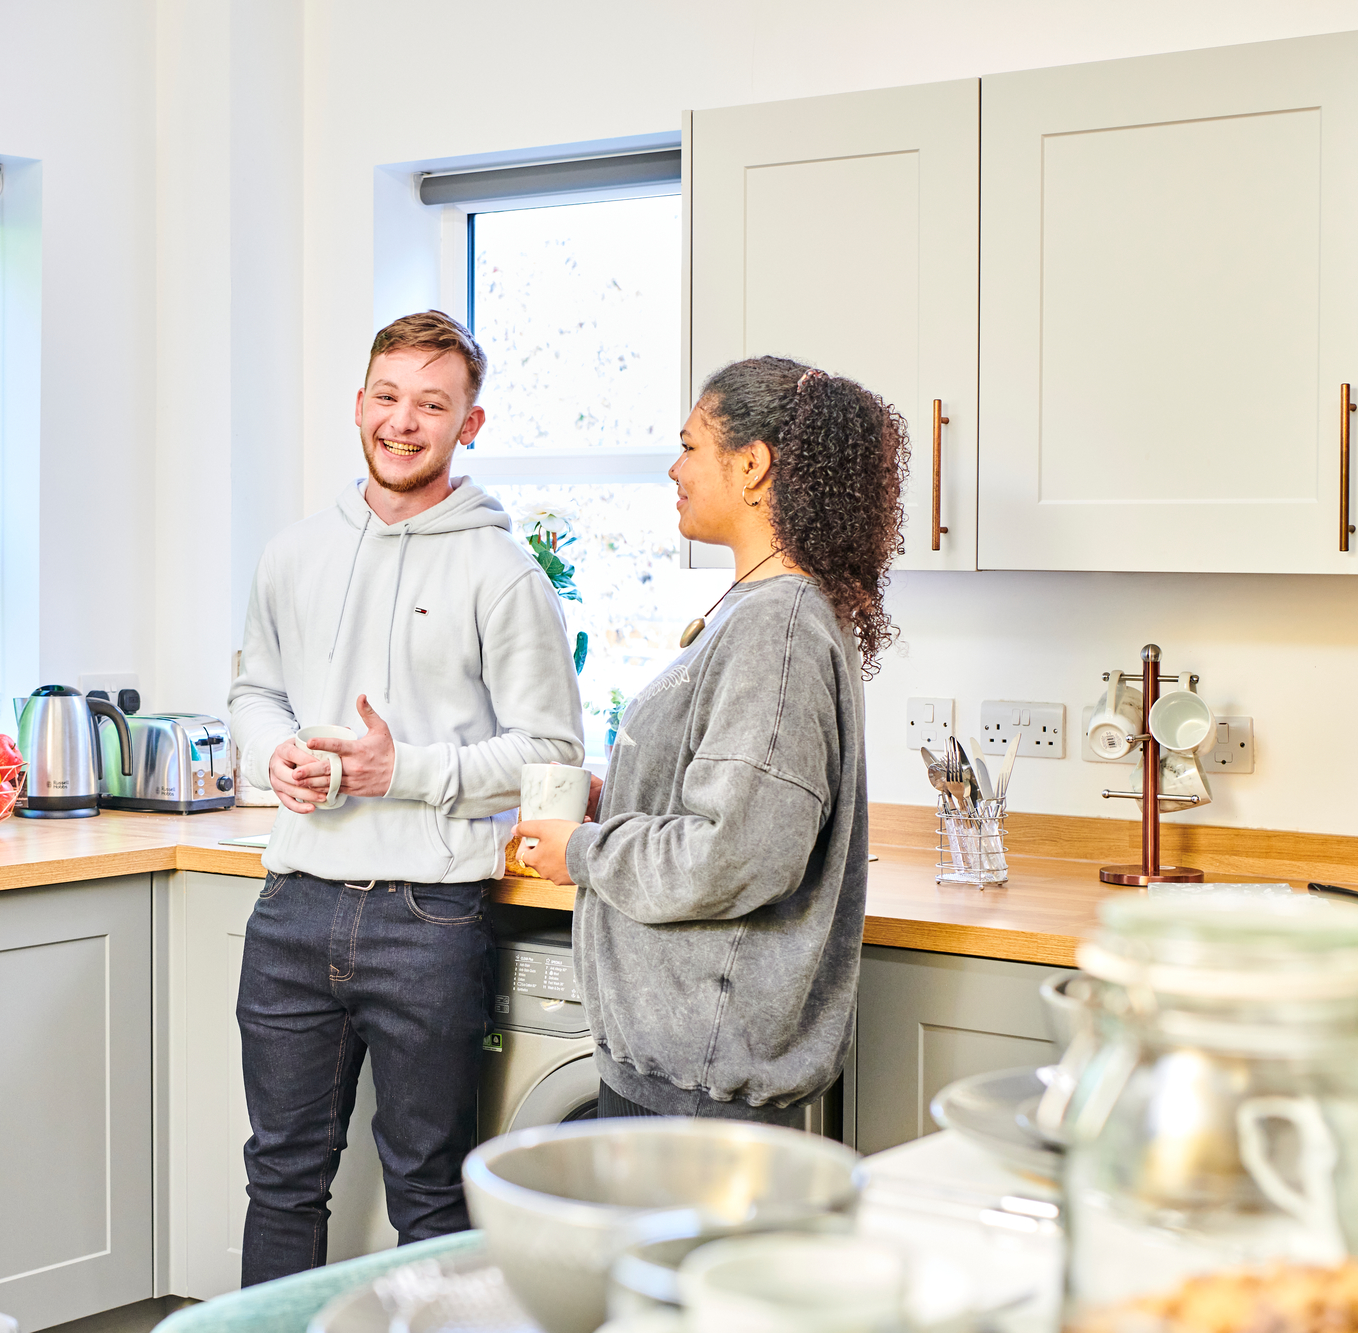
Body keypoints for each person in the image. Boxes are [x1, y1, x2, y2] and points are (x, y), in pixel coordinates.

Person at [228, 310, 585, 1283]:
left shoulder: (500, 572)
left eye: (431, 403)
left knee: (426, 1188)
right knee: (281, 1177)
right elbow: (255, 690)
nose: (401, 420)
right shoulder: (291, 552)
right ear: (357, 405)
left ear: (468, 424)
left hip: (430, 918)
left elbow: (552, 752)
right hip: (294, 899)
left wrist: (404, 772)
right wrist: (277, 755)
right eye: (386, 396)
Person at [515, 356, 907, 1123]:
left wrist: (583, 852)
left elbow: (735, 854)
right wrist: (619, 798)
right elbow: (729, 807)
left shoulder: (778, 629)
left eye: (691, 445)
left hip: (700, 1083)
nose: (674, 467)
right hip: (683, 1063)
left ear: (752, 464)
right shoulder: (759, 609)